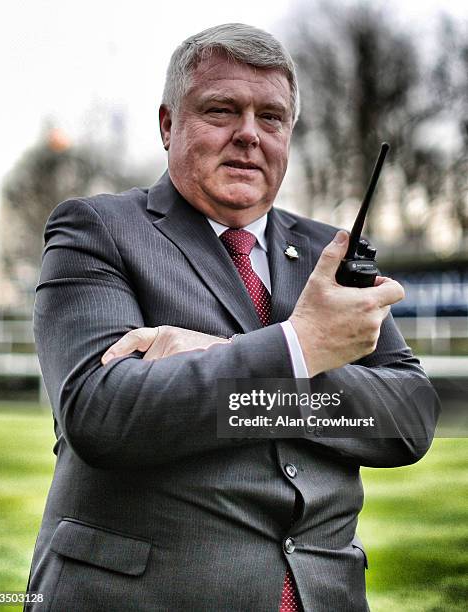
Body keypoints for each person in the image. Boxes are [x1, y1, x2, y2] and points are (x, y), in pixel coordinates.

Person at [25, 23, 439, 612]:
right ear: (169, 124)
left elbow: (410, 418)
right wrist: (299, 351)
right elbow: (102, 411)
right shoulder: (98, 229)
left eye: (271, 118)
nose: (249, 135)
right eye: (222, 110)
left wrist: (236, 355)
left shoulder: (331, 255)